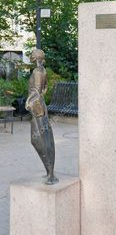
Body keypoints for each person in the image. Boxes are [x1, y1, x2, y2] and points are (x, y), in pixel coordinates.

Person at [25, 49, 58, 185]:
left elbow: (37, 91)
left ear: (35, 57)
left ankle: (50, 173)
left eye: (32, 56)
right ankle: (50, 172)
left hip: (37, 105)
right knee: (44, 137)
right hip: (40, 105)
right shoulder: (43, 70)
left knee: (39, 139)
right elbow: (44, 89)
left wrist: (29, 102)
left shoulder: (36, 72)